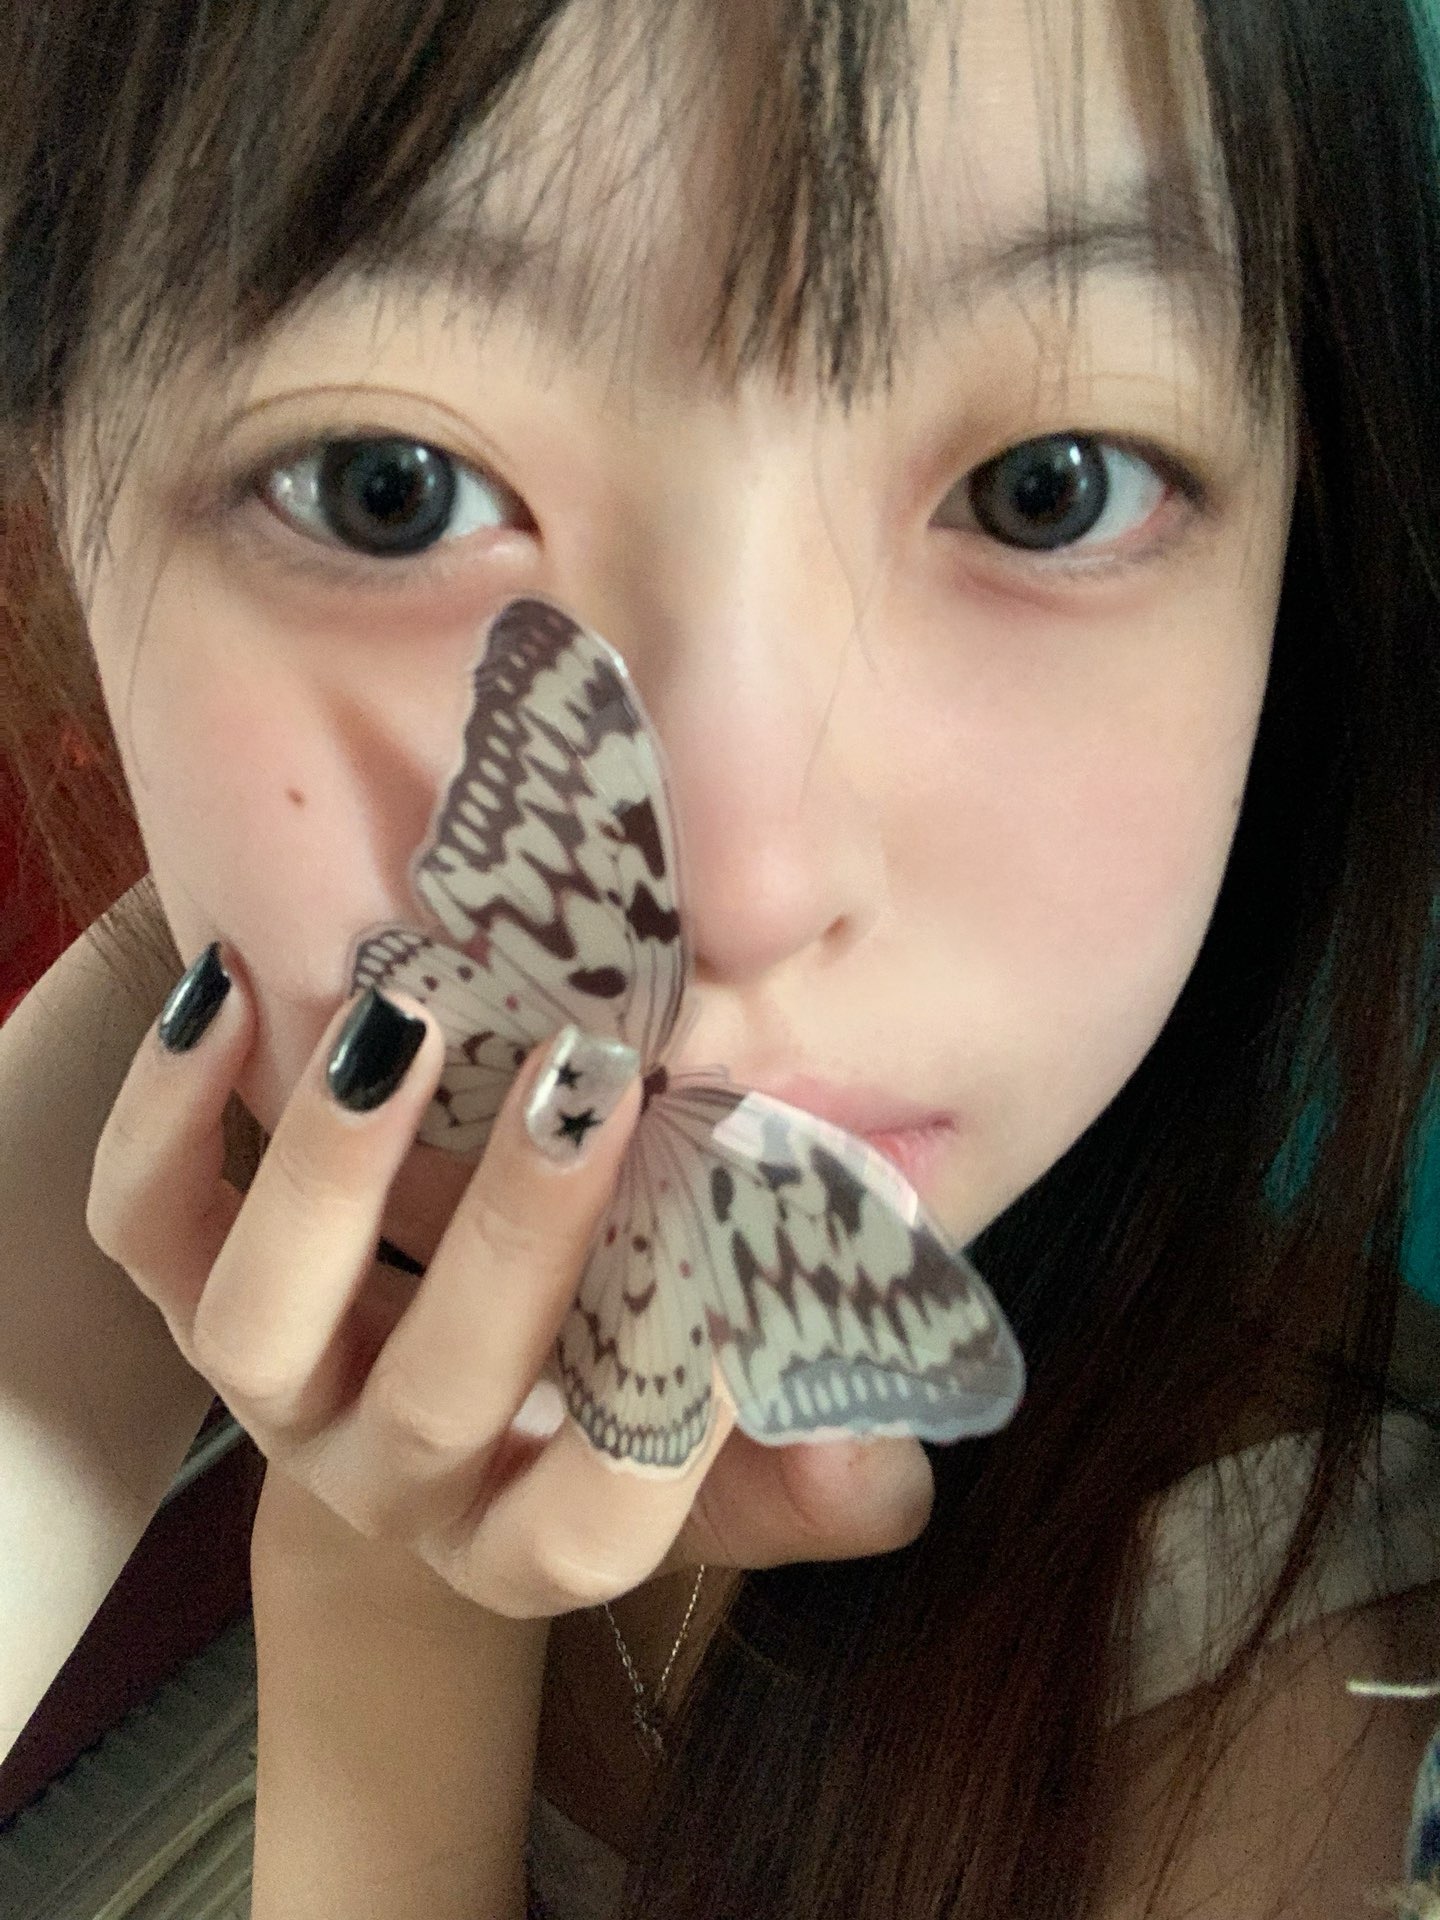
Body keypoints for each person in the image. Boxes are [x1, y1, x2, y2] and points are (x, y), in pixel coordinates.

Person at [2, 0, 1439, 1914]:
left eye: (1053, 482)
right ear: (53, 525)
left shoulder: (1311, 1726)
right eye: (384, 483)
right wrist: (384, 1564)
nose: (740, 888)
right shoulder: (211, 1059)